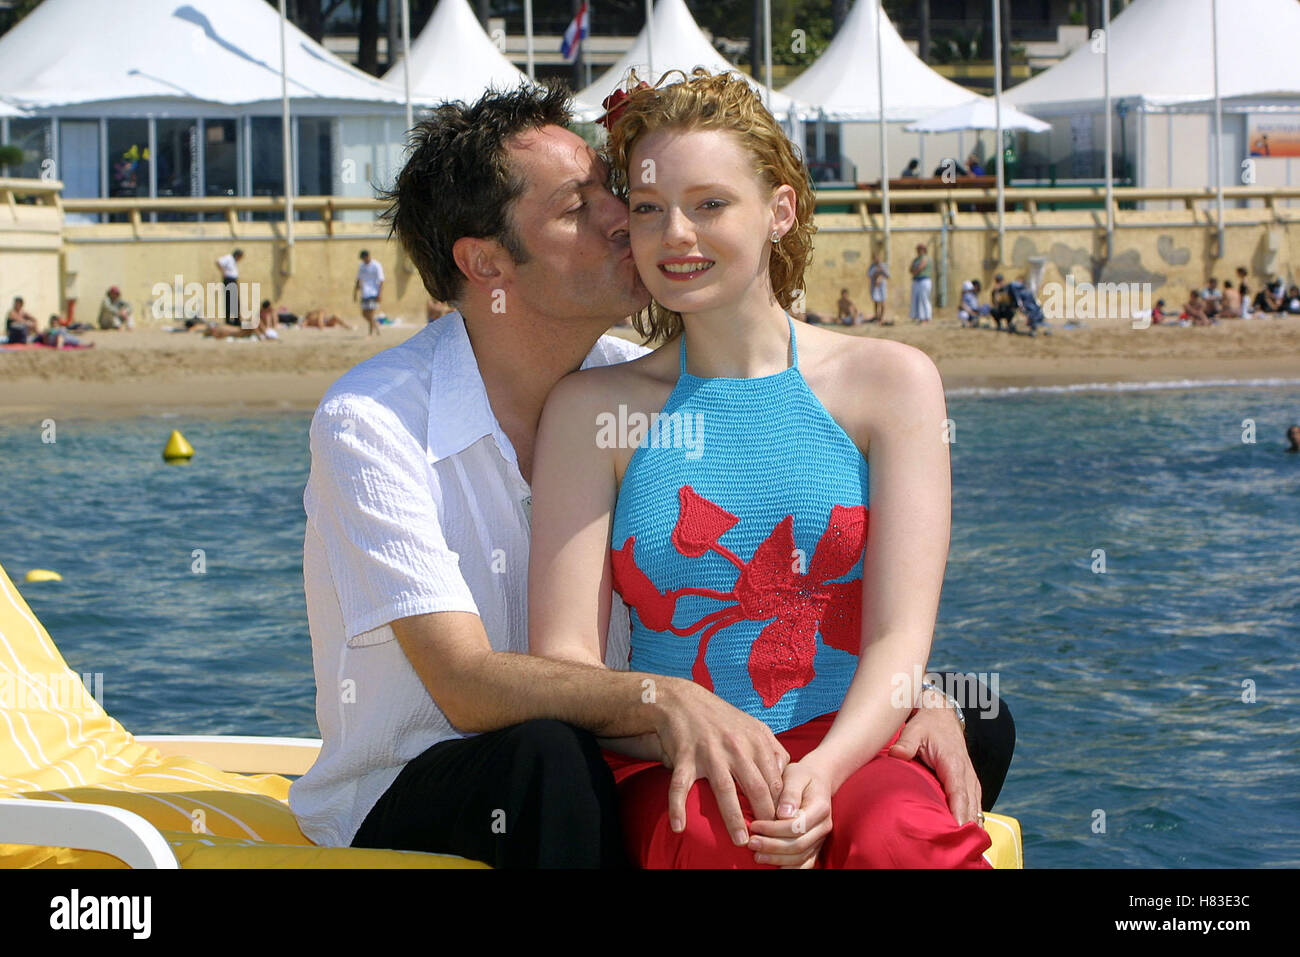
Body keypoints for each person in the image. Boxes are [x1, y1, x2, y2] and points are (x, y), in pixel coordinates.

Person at [289, 83, 1012, 869]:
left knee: (975, 719)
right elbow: (466, 683)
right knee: (554, 759)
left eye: (615, 193)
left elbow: (872, 622)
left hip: (649, 733)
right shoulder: (374, 421)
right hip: (434, 775)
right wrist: (667, 703)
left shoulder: (607, 379)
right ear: (486, 260)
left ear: (779, 210)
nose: (629, 222)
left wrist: (913, 701)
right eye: (591, 206)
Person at [527, 68, 1001, 868]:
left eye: (709, 204)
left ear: (780, 209)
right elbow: (567, 655)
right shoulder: (587, 411)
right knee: (726, 845)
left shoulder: (892, 384)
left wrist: (824, 770)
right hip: (677, 756)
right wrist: (681, 719)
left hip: (853, 745)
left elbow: (897, 639)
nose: (676, 233)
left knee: (901, 841)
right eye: (648, 210)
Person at [355, 249, 386, 336]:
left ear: (368, 256)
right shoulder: (362, 266)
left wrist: (380, 293)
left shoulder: (376, 265)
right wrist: (356, 290)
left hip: (374, 292)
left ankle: (370, 333)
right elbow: (358, 278)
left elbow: (381, 280)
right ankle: (376, 326)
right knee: (364, 314)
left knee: (371, 313)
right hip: (365, 292)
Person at [215, 248, 244, 327]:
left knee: (234, 301)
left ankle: (236, 320)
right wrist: (223, 272)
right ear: (237, 255)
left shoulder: (233, 261)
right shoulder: (228, 258)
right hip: (229, 280)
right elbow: (218, 262)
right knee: (229, 301)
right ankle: (229, 321)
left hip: (232, 280)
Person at [909, 242, 933, 323]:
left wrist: (915, 271)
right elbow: (911, 269)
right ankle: (917, 316)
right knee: (916, 299)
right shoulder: (916, 259)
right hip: (917, 280)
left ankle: (927, 317)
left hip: (924, 280)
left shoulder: (926, 258)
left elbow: (921, 267)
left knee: (924, 298)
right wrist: (915, 271)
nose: (918, 251)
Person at [868, 252, 890, 324]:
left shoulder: (883, 265)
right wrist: (876, 272)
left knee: (883, 302)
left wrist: (881, 270)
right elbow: (869, 275)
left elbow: (888, 275)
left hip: (882, 286)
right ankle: (876, 316)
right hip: (875, 286)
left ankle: (881, 317)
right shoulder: (872, 267)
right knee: (876, 301)